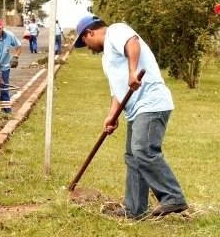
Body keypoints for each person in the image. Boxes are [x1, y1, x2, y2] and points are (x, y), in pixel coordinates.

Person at [73, 14, 188, 219]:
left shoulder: (116, 31)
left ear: (90, 32)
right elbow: (117, 91)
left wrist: (132, 71)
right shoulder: (107, 57)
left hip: (151, 103)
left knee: (143, 149)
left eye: (85, 41)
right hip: (136, 109)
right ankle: (135, 209)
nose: (88, 47)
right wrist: (112, 116)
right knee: (133, 157)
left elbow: (132, 42)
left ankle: (172, 196)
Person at [0, 19, 21, 113]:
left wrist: (16, 57)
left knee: (4, 90)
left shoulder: (10, 36)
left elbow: (18, 47)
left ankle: (6, 111)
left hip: (5, 67)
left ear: (2, 28)